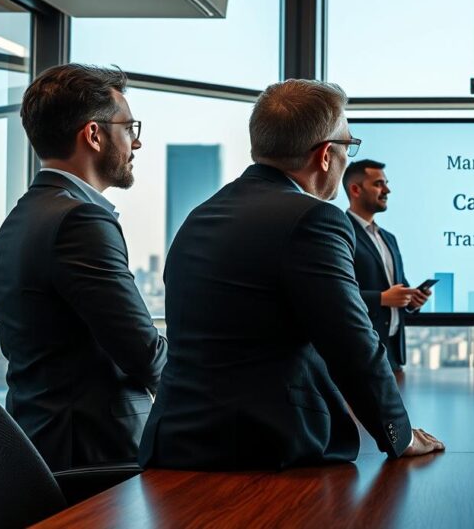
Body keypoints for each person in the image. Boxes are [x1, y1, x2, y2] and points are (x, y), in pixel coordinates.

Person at [139, 80, 444, 470]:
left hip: (175, 446)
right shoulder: (314, 218)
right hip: (265, 452)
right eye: (348, 148)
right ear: (324, 155)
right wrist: (399, 436)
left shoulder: (201, 215)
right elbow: (351, 343)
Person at [0, 64, 167, 472]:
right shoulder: (79, 221)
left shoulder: (20, 219)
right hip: (95, 457)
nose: (136, 144)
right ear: (94, 134)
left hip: (43, 447)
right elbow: (142, 352)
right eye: (129, 127)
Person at [343, 159, 431, 372]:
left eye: (386, 183)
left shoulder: (389, 238)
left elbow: (398, 286)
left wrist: (412, 299)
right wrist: (382, 298)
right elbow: (335, 295)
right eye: (378, 184)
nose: (387, 190)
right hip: (359, 353)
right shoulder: (341, 233)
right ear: (355, 189)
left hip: (392, 353)